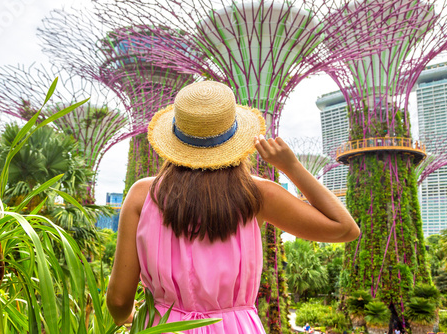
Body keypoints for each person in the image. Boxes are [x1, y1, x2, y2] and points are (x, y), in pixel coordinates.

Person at [106, 81, 360, 332]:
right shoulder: (257, 194)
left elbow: (118, 300)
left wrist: (130, 317)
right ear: (236, 137)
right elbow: (345, 228)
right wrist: (290, 167)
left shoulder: (143, 194)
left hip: (161, 327)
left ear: (174, 139)